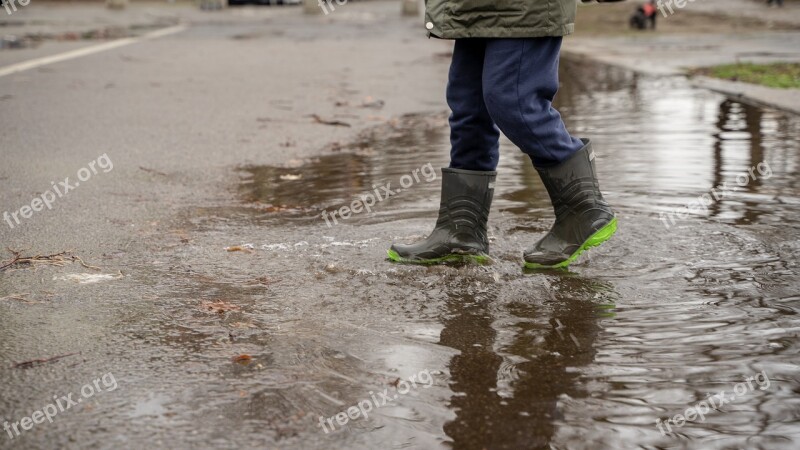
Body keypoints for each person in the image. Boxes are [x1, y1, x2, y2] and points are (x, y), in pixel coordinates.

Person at [388, 0, 619, 269]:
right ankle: (462, 230)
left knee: (514, 101)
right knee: (469, 107)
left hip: (523, 8)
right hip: (470, 8)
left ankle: (583, 208)